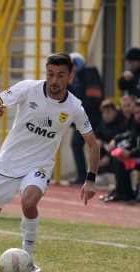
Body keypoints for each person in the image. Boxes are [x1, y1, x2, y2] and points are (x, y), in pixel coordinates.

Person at [0, 53, 99, 272]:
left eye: (60, 75)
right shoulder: (28, 88)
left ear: (70, 76)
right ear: (45, 72)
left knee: (29, 202)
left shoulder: (75, 107)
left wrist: (90, 180)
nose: (54, 80)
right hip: (8, 163)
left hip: (39, 165)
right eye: (50, 74)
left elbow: (93, 145)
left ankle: (27, 260)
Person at [68, 52, 103, 184]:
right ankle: (83, 175)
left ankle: (90, 176)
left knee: (92, 146)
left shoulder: (89, 74)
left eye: (72, 65)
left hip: (92, 119)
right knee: (77, 145)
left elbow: (93, 97)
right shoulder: (76, 78)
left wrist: (79, 112)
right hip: (82, 119)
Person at [94, 100, 127, 179]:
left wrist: (109, 156)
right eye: (103, 112)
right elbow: (97, 132)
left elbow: (123, 142)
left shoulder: (122, 122)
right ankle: (100, 174)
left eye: (108, 112)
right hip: (110, 151)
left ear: (115, 112)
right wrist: (98, 139)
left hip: (120, 152)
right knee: (94, 146)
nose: (105, 115)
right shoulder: (104, 122)